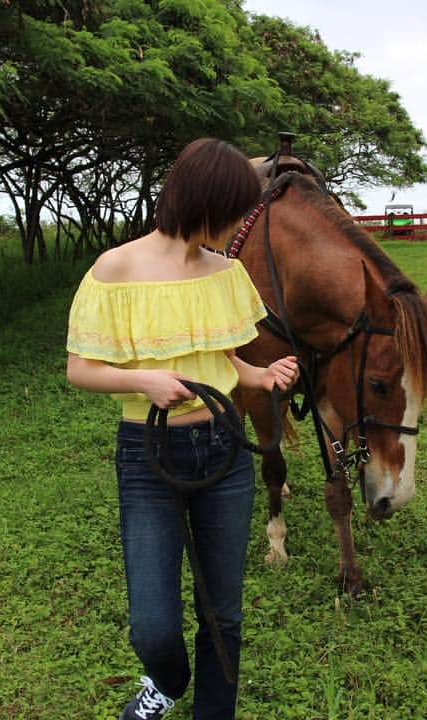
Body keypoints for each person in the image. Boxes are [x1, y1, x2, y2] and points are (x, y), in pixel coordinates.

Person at [65, 138, 299, 720]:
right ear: (204, 201)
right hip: (149, 458)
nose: (240, 224)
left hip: (223, 454)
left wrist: (262, 375)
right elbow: (80, 369)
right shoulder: (114, 270)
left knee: (224, 613)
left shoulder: (225, 272)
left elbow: (222, 362)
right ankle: (165, 682)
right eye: (236, 211)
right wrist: (144, 383)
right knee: (152, 621)